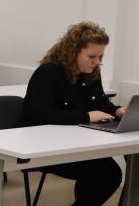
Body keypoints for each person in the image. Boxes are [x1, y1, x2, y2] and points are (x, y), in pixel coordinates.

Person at [21, 21, 124, 205]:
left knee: (107, 172)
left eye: (100, 56)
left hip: (75, 142)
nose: (97, 62)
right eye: (92, 56)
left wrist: (117, 111)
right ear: (73, 51)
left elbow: (100, 103)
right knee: (104, 173)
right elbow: (43, 114)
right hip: (43, 145)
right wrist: (86, 116)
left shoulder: (91, 72)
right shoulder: (48, 73)